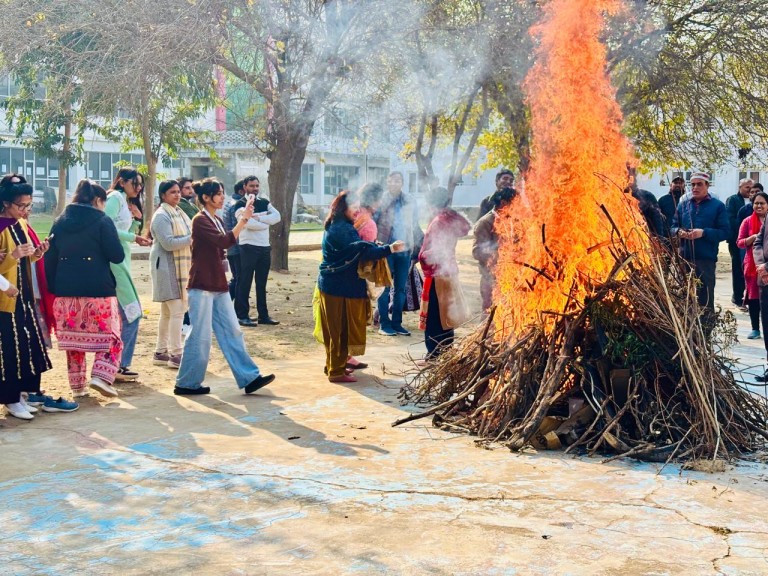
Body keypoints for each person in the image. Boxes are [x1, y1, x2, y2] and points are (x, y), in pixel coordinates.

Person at [174, 178, 274, 395]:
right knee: (200, 335)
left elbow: (224, 243)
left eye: (221, 193)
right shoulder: (200, 220)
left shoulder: (215, 219)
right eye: (218, 193)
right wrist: (244, 221)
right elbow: (225, 241)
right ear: (206, 198)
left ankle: (249, 377)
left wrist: (244, 219)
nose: (221, 197)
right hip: (201, 284)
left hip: (218, 283)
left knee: (232, 331)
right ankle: (186, 383)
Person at [45, 180, 125, 398]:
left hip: (65, 291)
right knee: (111, 336)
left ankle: (78, 387)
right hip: (98, 289)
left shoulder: (59, 221)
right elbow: (117, 255)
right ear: (97, 200)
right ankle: (101, 376)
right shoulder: (102, 220)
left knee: (75, 341)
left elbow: (49, 259)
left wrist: (55, 287)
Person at [319, 190, 405, 382]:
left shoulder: (341, 224)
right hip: (338, 286)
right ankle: (335, 372)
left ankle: (335, 365)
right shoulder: (342, 228)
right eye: (354, 208)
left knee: (337, 329)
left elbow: (360, 247)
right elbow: (361, 250)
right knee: (339, 330)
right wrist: (389, 248)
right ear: (343, 208)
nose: (357, 212)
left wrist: (380, 247)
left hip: (336, 285)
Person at [0, 180, 55, 418]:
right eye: (21, 206)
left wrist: (38, 252)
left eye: (29, 206)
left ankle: (22, 394)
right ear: (6, 204)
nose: (25, 211)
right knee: (10, 349)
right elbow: (6, 263)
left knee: (28, 344)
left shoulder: (21, 223)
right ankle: (11, 399)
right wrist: (12, 257)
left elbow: (26, 259)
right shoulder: (1, 227)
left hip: (24, 295)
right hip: (6, 299)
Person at [105, 167, 152, 382]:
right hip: (114, 265)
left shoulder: (124, 201)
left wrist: (135, 220)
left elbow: (123, 232)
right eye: (135, 183)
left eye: (141, 184)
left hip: (122, 264)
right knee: (133, 313)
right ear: (121, 181)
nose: (139, 187)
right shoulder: (114, 197)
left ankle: (119, 365)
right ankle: (117, 365)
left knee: (126, 316)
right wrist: (135, 238)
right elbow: (106, 228)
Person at [418, 187, 471, 359]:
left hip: (438, 274)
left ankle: (434, 354)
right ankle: (445, 351)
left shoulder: (438, 221)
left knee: (435, 316)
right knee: (446, 315)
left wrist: (421, 256)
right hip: (448, 272)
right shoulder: (450, 218)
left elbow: (435, 252)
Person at [670, 171, 729, 313]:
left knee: (705, 299)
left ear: (707, 185)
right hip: (685, 258)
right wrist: (679, 232)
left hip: (705, 260)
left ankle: (705, 331)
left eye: (699, 184)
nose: (695, 187)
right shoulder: (683, 205)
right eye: (693, 184)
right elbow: (672, 226)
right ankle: (686, 332)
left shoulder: (718, 206)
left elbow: (725, 232)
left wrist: (703, 233)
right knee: (684, 298)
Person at [150, 180, 192, 369]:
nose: (177, 195)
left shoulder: (178, 212)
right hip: (166, 267)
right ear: (163, 195)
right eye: (172, 192)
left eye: (178, 191)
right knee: (177, 311)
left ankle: (160, 352)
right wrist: (192, 239)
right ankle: (176, 354)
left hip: (176, 266)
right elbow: (168, 243)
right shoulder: (161, 216)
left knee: (168, 312)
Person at [374, 171, 422, 337]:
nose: (395, 183)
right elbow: (374, 222)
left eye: (398, 181)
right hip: (386, 248)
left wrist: (416, 249)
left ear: (402, 183)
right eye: (392, 181)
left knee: (401, 289)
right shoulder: (381, 200)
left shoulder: (410, 200)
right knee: (385, 288)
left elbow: (415, 224)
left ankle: (397, 323)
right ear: (387, 182)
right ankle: (384, 324)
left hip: (405, 249)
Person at [234, 176, 281, 326]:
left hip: (264, 247)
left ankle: (263, 316)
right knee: (244, 282)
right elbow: (247, 224)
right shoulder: (240, 204)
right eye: (251, 186)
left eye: (256, 185)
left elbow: (277, 217)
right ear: (245, 187)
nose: (255, 188)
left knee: (262, 283)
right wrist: (266, 221)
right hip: (248, 247)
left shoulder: (265, 202)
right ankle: (242, 315)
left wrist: (259, 219)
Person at [472, 187, 516, 311]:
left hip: (510, 275)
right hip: (490, 276)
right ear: (503, 203)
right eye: (514, 204)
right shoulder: (485, 223)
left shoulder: (512, 220)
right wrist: (501, 255)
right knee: (489, 312)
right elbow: (477, 252)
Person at [737, 191, 768, 340]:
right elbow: (739, 242)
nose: (759, 206)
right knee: (754, 298)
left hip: (766, 265)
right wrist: (752, 238)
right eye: (756, 203)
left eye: (762, 203)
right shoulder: (747, 221)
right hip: (752, 266)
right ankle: (755, 329)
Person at [726, 178, 753, 306]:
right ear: (740, 187)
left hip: (753, 241)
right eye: (747, 187)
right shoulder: (733, 200)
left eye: (751, 187)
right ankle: (737, 298)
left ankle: (749, 297)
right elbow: (730, 219)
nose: (749, 190)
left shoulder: (755, 201)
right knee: (738, 269)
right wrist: (745, 231)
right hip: (737, 240)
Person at [222, 178, 250, 299]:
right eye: (249, 188)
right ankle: (234, 309)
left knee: (237, 278)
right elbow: (236, 229)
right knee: (239, 280)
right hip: (236, 249)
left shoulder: (230, 202)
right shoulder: (236, 205)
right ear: (242, 191)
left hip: (232, 248)